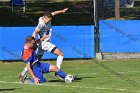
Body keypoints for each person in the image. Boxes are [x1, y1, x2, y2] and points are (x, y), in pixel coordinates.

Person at [19, 8, 68, 80]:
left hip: (41, 44)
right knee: (60, 54)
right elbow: (35, 31)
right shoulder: (41, 23)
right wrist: (33, 42)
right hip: (45, 43)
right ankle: (58, 73)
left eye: (50, 19)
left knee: (35, 61)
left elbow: (54, 12)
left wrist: (62, 11)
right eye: (49, 19)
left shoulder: (48, 17)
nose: (50, 21)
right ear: (45, 18)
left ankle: (23, 73)